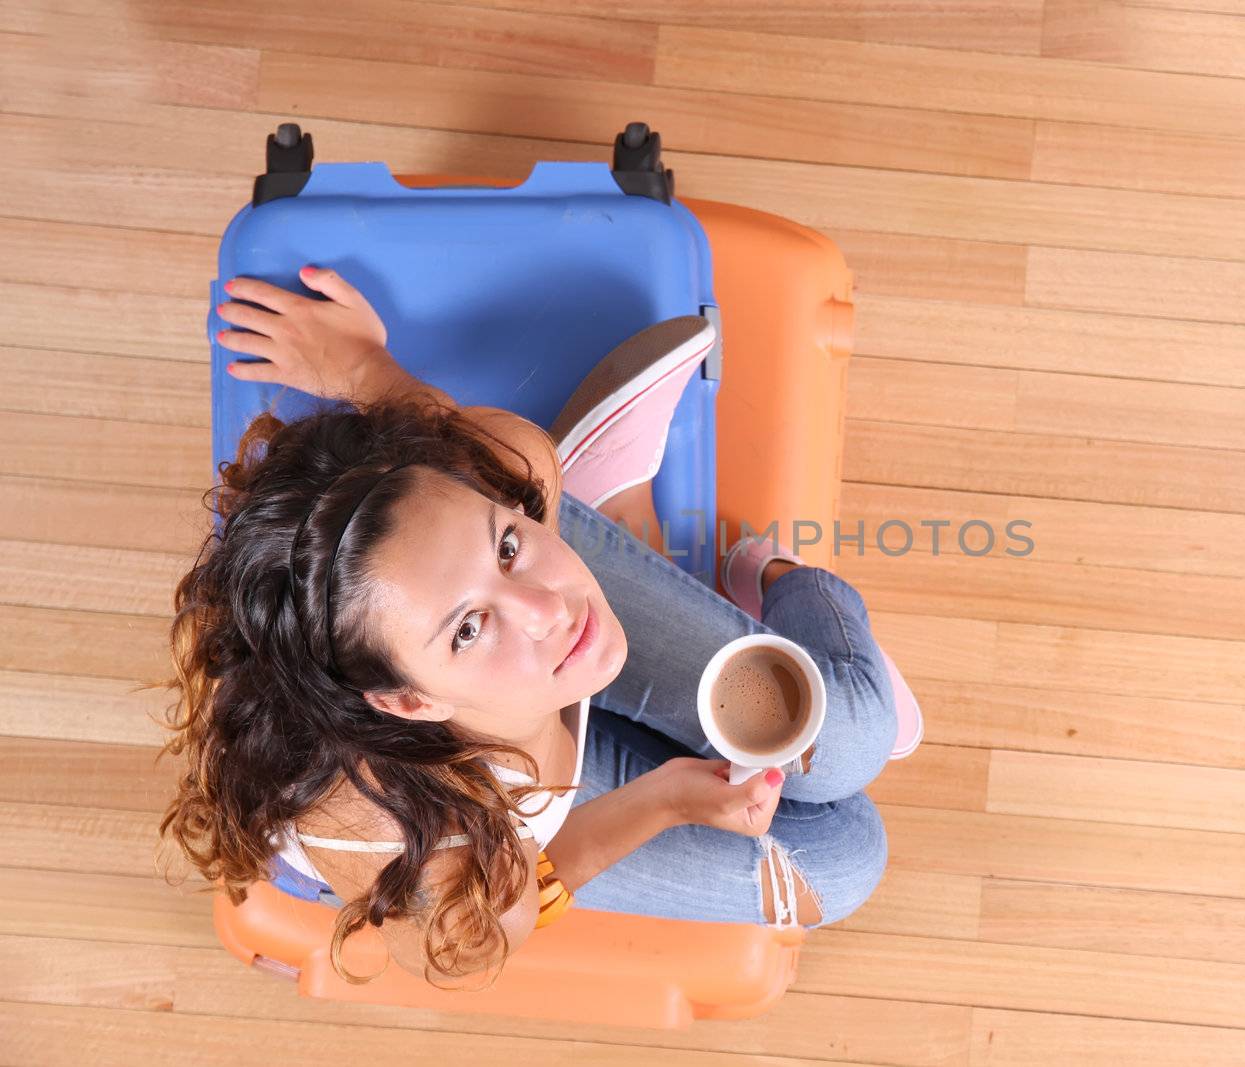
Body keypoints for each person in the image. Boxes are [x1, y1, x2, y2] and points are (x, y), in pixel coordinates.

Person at [156, 264, 922, 991]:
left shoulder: (511, 467)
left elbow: (471, 468)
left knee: (849, 728)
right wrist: (665, 801)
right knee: (848, 862)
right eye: (467, 628)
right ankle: (622, 522)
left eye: (508, 544)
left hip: (525, 683)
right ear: (409, 702)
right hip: (509, 820)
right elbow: (489, 934)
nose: (551, 608)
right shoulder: (421, 856)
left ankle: (706, 548)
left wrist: (364, 367)